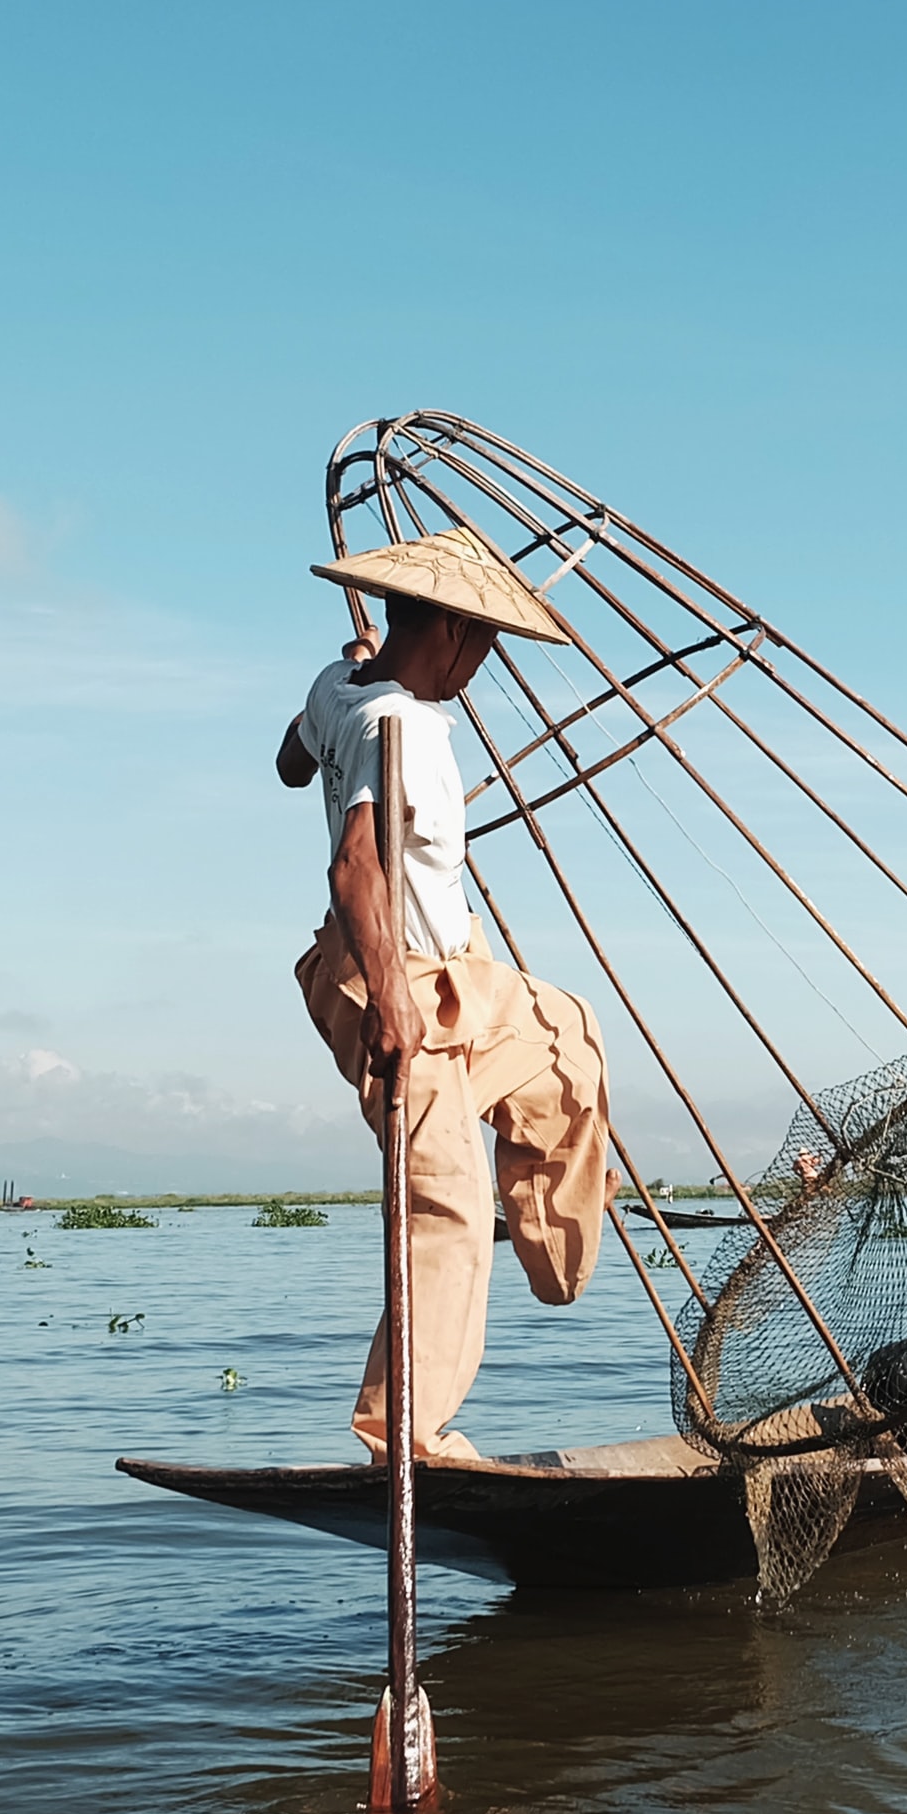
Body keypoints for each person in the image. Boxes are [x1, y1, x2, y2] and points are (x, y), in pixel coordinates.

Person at [275, 524, 615, 1465]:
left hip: (449, 966)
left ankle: (553, 1252)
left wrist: (347, 684)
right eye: (487, 646)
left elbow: (289, 762)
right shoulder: (404, 725)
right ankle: (406, 1437)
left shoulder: (340, 689)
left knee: (565, 1036)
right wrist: (391, 1003)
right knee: (446, 1211)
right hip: (389, 972)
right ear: (456, 635)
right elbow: (354, 867)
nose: (483, 666)